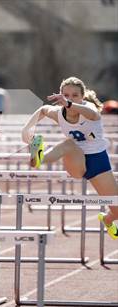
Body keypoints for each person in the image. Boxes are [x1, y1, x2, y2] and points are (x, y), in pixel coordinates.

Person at [21, 76, 118, 240]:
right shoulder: (58, 113)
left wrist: (69, 104)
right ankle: (39, 158)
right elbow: (43, 109)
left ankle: (107, 219)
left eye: (75, 95)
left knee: (117, 209)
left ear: (82, 96)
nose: (70, 98)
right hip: (76, 162)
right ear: (60, 95)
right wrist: (26, 129)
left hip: (98, 162)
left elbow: (93, 114)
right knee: (69, 144)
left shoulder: (89, 108)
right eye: (66, 95)